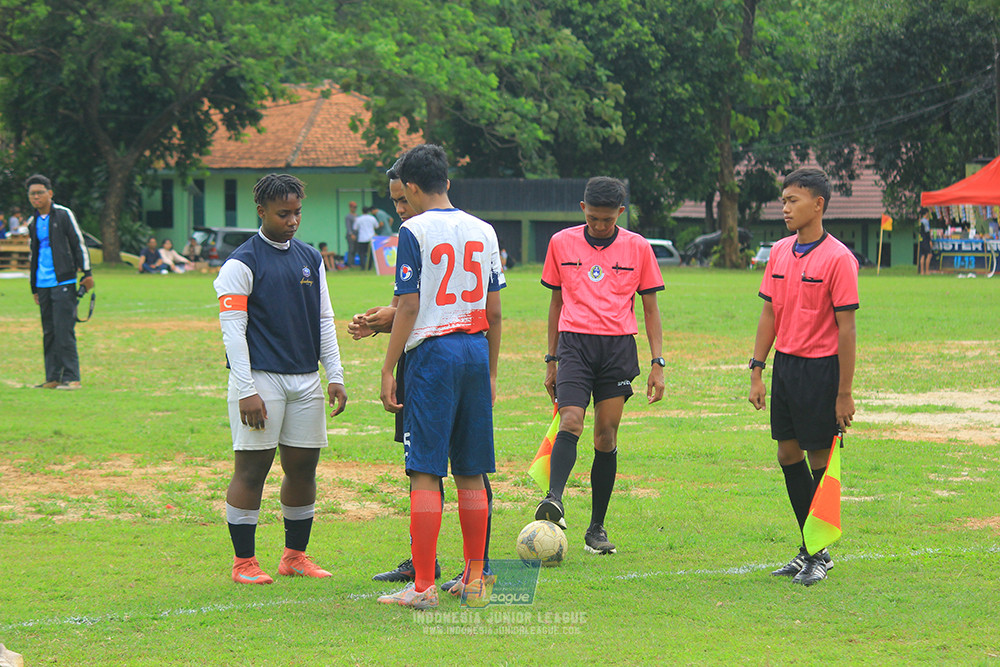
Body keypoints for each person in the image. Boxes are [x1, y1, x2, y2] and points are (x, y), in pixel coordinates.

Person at [349, 157, 494, 592]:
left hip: (434, 354)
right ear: (446, 181)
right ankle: (473, 578)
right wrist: (491, 371)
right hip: (476, 348)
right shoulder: (484, 229)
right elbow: (496, 310)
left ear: (411, 187)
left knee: (425, 470)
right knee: (470, 469)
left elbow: (411, 306)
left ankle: (423, 587)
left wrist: (387, 366)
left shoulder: (412, 231)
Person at [214, 174, 348, 585]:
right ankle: (243, 563)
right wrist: (246, 388)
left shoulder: (309, 257)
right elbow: (233, 331)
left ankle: (294, 556)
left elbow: (325, 319)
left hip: (306, 379)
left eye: (297, 212)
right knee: (252, 470)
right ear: (261, 212)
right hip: (260, 380)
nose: (292, 221)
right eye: (283, 213)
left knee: (303, 469)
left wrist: (335, 375)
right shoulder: (241, 263)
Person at [533, 176, 665, 556]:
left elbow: (651, 308)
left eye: (607, 220)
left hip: (618, 349)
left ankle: (596, 528)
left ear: (620, 213)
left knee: (605, 436)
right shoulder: (561, 243)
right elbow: (556, 304)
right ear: (582, 210)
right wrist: (552, 358)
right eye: (593, 219)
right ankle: (554, 499)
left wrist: (657, 363)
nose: (600, 226)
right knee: (571, 420)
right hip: (574, 344)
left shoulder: (639, 248)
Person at [748, 167, 858, 587]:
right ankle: (810, 548)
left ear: (819, 205)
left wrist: (844, 393)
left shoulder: (839, 259)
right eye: (784, 200)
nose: (786, 208)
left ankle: (818, 552)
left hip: (822, 370)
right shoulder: (777, 252)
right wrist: (757, 369)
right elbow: (769, 313)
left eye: (794, 200)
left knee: (819, 460)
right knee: (787, 455)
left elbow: (847, 330)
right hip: (787, 368)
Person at [25, 174, 94, 390]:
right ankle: (52, 377)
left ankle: (72, 378)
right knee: (49, 331)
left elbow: (78, 243)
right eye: (32, 194)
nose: (36, 197)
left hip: (63, 279)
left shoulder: (64, 215)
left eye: (40, 193)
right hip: (42, 283)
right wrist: (34, 287)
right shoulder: (32, 222)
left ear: (50, 193)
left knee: (64, 329)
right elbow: (33, 255)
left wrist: (87, 273)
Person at [918, 210, 932, 275]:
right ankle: (927, 271)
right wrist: (930, 241)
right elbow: (927, 232)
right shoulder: (925, 222)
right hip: (925, 240)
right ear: (926, 214)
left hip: (921, 240)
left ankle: (922, 271)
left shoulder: (920, 222)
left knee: (922, 255)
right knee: (929, 255)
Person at [344, 201, 358, 268]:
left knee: (355, 249)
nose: (354, 208)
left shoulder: (357, 215)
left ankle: (353, 263)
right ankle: (350, 264)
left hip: (357, 235)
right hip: (351, 235)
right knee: (351, 249)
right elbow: (348, 226)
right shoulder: (348, 216)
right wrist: (351, 234)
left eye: (355, 207)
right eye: (353, 207)